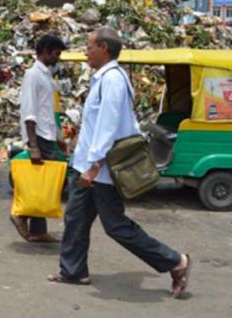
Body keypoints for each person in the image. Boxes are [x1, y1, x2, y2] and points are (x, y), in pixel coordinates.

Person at [47, 27, 191, 299]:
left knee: (116, 226)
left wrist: (94, 165)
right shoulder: (103, 79)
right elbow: (96, 123)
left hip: (101, 171)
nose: (85, 51)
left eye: (89, 46)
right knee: (76, 217)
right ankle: (74, 270)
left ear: (103, 48)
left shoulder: (112, 80)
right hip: (87, 165)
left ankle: (175, 261)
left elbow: (109, 126)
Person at [11, 34, 67, 242]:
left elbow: (47, 111)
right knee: (51, 181)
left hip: (47, 134)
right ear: (44, 51)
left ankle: (37, 230)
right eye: (55, 53)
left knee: (43, 180)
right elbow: (30, 112)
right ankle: (20, 215)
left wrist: (59, 136)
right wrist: (33, 145)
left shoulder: (46, 76)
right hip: (40, 136)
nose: (57, 57)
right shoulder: (33, 75)